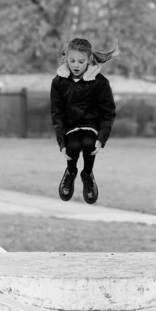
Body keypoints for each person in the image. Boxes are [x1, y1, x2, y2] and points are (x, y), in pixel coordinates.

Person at [49, 37, 117, 205]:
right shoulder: (58, 82)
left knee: (88, 143)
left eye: (81, 61)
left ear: (89, 60)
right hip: (70, 126)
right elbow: (56, 112)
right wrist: (61, 141)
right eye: (72, 61)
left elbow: (108, 112)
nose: (76, 65)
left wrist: (102, 137)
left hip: (91, 124)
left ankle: (87, 174)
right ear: (66, 59)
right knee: (72, 146)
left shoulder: (100, 82)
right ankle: (70, 172)